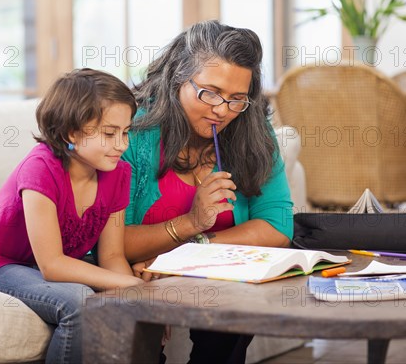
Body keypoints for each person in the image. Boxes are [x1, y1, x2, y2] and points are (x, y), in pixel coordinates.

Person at [122, 21, 294, 363]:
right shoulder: (132, 133)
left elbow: (276, 226)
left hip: (203, 272)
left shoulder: (252, 131)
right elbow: (110, 240)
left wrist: (188, 257)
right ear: (177, 79)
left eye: (236, 99)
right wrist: (193, 221)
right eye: (210, 92)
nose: (222, 110)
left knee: (233, 302)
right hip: (133, 270)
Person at [0, 68, 143, 364]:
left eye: (126, 131)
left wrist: (141, 300)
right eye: (109, 133)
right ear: (70, 132)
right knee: (81, 301)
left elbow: (113, 255)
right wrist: (128, 285)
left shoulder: (118, 173)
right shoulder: (41, 169)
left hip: (47, 269)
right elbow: (52, 266)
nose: (122, 144)